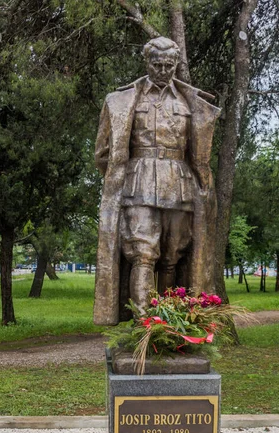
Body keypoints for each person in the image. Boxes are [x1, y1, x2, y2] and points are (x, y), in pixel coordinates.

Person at [94, 37, 220, 325]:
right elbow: (102, 153)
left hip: (179, 184)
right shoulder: (122, 100)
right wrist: (120, 178)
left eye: (169, 65)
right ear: (146, 62)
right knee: (143, 252)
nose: (163, 70)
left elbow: (197, 153)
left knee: (173, 253)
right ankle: (144, 324)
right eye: (157, 64)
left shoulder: (192, 103)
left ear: (176, 65)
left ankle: (169, 325)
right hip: (137, 183)